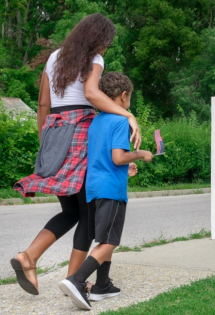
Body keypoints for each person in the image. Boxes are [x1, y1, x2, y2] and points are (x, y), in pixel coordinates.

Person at [10, 13, 141, 296]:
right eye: (106, 42)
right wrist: (128, 114)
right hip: (80, 131)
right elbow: (92, 93)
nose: (106, 48)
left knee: (69, 210)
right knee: (87, 215)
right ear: (98, 39)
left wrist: (45, 141)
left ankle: (30, 257)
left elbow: (43, 103)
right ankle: (74, 281)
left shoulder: (55, 57)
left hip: (53, 130)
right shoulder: (94, 57)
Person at [59, 72, 154, 310]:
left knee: (103, 237)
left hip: (93, 188)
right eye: (130, 97)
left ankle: (103, 285)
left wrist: (126, 165)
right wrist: (141, 154)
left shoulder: (98, 120)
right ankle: (77, 280)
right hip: (111, 190)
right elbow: (118, 156)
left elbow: (108, 158)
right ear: (123, 96)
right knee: (110, 242)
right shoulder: (121, 121)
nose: (129, 102)